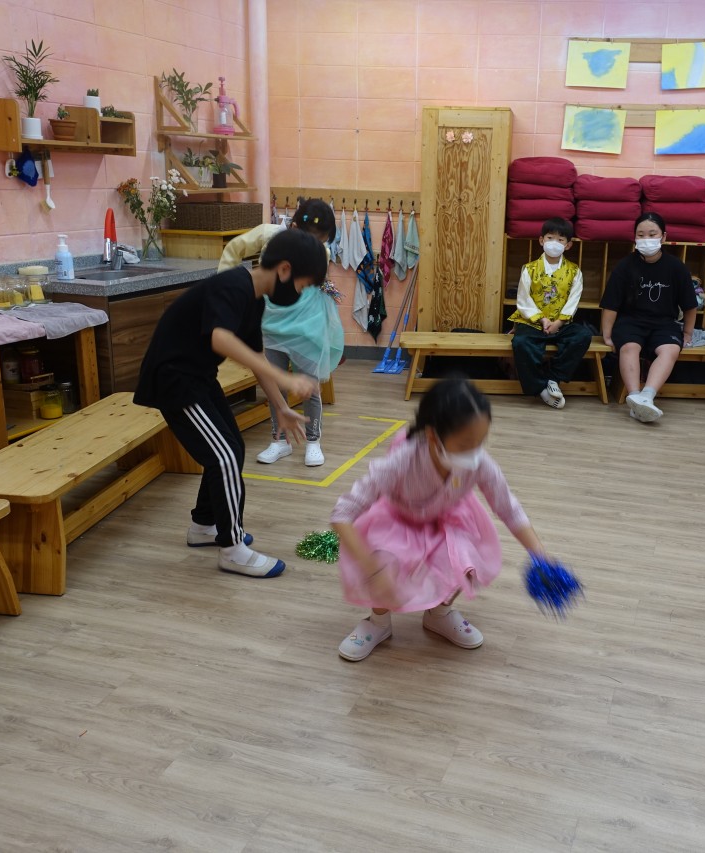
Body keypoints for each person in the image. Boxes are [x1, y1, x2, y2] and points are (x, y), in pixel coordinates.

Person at [134, 229, 323, 578]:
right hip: (175, 381)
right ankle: (233, 550)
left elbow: (256, 357)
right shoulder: (233, 285)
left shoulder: (254, 298)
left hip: (198, 377)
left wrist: (281, 406)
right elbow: (220, 339)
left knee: (232, 448)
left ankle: (203, 525)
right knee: (222, 457)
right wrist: (285, 378)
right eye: (303, 285)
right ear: (284, 270)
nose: (300, 294)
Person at [330, 376, 550, 662]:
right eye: (465, 443)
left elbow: (508, 507)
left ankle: (439, 613)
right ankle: (378, 622)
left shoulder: (480, 462)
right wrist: (373, 570)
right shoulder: (403, 460)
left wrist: (540, 555)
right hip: (398, 520)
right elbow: (343, 513)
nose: (475, 452)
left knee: (464, 558)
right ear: (433, 435)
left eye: (480, 441)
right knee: (385, 557)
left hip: (446, 518)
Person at [218, 198, 337, 467]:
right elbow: (234, 249)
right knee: (274, 384)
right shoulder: (268, 235)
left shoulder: (322, 253)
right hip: (270, 326)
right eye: (312, 241)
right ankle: (279, 440)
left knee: (309, 386)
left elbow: (313, 288)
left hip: (305, 329)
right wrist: (229, 288)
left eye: (320, 242)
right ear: (293, 228)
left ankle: (313, 440)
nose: (315, 248)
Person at [600, 212, 698, 423]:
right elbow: (610, 304)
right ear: (634, 237)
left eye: (652, 234)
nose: (646, 239)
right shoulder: (625, 266)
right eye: (641, 234)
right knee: (629, 347)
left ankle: (646, 396)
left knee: (670, 350)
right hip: (630, 322)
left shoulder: (676, 267)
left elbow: (690, 305)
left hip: (664, 323)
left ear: (663, 237)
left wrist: (688, 333)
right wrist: (607, 335)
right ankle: (634, 396)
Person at [508, 217, 591, 409]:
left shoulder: (574, 271)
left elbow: (573, 300)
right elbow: (523, 299)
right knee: (521, 343)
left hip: (561, 325)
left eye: (560, 240)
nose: (554, 243)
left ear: (568, 245)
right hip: (533, 323)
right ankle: (540, 388)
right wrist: (542, 319)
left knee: (583, 336)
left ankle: (554, 378)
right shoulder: (529, 269)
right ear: (541, 240)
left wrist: (559, 323)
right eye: (550, 238)